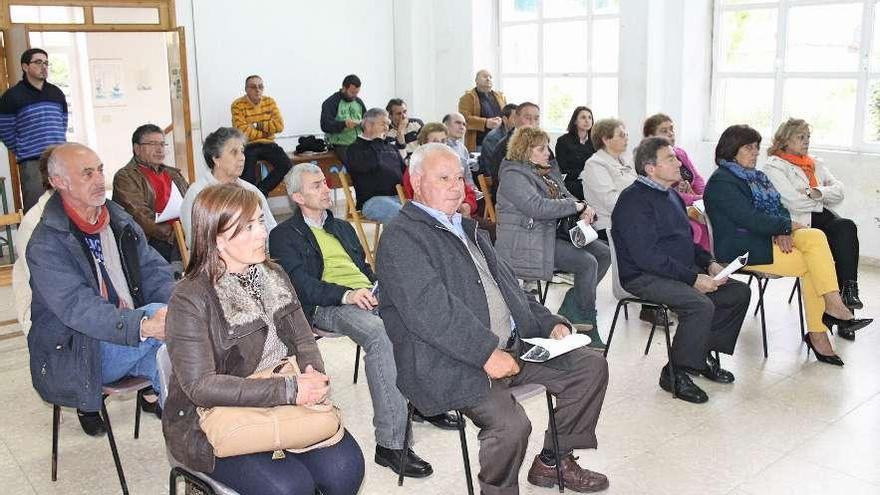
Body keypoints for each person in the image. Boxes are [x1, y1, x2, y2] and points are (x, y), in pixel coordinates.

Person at [377, 143, 610, 494]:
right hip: (450, 361)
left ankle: (553, 462)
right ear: (417, 182)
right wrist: (486, 353)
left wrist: (548, 322)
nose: (456, 186)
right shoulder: (402, 238)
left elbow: (511, 290)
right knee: (511, 426)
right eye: (444, 178)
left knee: (590, 367)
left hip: (510, 349)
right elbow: (431, 312)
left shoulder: (468, 228)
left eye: (459, 177)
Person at [163, 183, 365, 495]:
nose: (261, 234)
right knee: (290, 488)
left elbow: (303, 338)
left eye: (260, 221)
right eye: (247, 228)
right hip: (216, 414)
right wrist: (290, 389)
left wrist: (312, 374)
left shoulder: (274, 275)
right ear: (217, 238)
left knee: (345, 471)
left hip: (283, 390)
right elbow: (201, 387)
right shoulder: (191, 297)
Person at [269, 163, 453, 479]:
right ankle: (391, 444)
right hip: (325, 305)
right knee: (381, 336)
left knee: (422, 318)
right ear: (298, 196)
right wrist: (347, 295)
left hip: (365, 295)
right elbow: (300, 285)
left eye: (325, 183)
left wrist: (382, 288)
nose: (327, 189)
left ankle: (423, 403)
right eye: (317, 186)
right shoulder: (284, 235)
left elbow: (364, 271)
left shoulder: (341, 228)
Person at [27, 143, 172, 437]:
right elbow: (79, 308)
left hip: (132, 334)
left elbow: (154, 271)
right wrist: (145, 324)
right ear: (59, 183)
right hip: (80, 352)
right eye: (87, 173)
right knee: (170, 337)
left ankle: (190, 439)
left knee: (178, 354)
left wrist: (178, 307)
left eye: (101, 169)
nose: (99, 180)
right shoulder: (46, 243)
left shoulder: (118, 221)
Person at [703, 125, 872, 363]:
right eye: (748, 148)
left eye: (756, 148)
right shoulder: (723, 181)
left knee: (816, 238)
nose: (755, 153)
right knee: (813, 263)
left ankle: (832, 307)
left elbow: (780, 207)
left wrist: (782, 228)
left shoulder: (756, 177)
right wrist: (785, 227)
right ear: (732, 150)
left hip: (763, 237)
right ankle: (820, 329)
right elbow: (750, 219)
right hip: (741, 249)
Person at [612, 137, 750, 404]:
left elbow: (688, 242)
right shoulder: (633, 201)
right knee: (699, 305)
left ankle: (701, 357)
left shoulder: (671, 195)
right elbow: (646, 257)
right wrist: (692, 278)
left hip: (674, 270)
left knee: (737, 293)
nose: (679, 163)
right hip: (643, 276)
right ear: (651, 168)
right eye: (670, 159)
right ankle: (676, 373)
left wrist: (708, 262)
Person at [495, 127, 610, 350]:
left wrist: (584, 207)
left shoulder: (545, 170)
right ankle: (587, 320)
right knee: (587, 262)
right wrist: (574, 206)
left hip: (550, 234)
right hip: (528, 241)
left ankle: (573, 304)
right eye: (541, 148)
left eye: (547, 146)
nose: (548, 152)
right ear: (525, 151)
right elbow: (536, 207)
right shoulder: (512, 175)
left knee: (604, 253)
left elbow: (566, 196)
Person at [763, 118, 863, 310]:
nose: (806, 141)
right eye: (801, 137)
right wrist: (822, 196)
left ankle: (849, 294)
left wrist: (815, 192)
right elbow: (791, 201)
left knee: (846, 228)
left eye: (808, 137)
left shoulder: (814, 162)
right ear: (785, 141)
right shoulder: (774, 166)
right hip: (795, 222)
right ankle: (842, 309)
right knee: (840, 240)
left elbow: (839, 190)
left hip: (818, 216)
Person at [180, 127, 277, 245]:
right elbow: (195, 241)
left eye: (242, 151)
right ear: (216, 158)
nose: (242, 158)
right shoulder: (197, 193)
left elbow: (272, 230)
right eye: (234, 152)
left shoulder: (250, 190)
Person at [0, 48, 68, 212]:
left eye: (46, 63)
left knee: (64, 206)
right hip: (32, 163)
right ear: (25, 66)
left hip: (59, 160)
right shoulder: (12, 96)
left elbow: (62, 122)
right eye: (38, 62)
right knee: (36, 210)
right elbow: (4, 129)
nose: (44, 67)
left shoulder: (56, 93)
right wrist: (23, 148)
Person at [112, 124, 190, 263]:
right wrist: (176, 235)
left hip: (183, 235)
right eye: (152, 144)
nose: (159, 149)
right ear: (137, 149)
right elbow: (139, 215)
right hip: (152, 241)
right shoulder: (126, 177)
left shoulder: (173, 174)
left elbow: (192, 202)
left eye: (162, 144)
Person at [643, 113, 710, 251]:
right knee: (698, 228)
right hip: (669, 210)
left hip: (692, 205)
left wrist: (704, 196)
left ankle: (711, 264)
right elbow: (667, 193)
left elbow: (697, 179)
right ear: (650, 137)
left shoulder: (680, 153)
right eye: (664, 131)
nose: (670, 134)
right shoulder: (647, 161)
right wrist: (701, 198)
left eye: (671, 129)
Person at [13, 145, 56, 337]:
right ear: (56, 180)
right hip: (55, 322)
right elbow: (53, 293)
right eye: (86, 174)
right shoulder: (35, 224)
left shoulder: (97, 213)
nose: (98, 180)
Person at [231, 75, 293, 196]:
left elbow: (279, 126)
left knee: (286, 164)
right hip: (248, 145)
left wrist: (256, 125)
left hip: (268, 144)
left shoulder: (269, 102)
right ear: (246, 89)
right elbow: (242, 132)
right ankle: (249, 199)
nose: (257, 90)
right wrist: (267, 130)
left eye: (260, 86)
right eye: (253, 87)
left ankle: (261, 191)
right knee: (248, 176)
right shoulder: (237, 105)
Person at [402, 122, 478, 217]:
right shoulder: (415, 170)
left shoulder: (451, 166)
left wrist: (468, 205)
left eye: (443, 141)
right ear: (423, 143)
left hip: (461, 215)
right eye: (435, 141)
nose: (441, 145)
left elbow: (468, 192)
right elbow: (419, 203)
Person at [345, 107, 405, 223]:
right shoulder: (354, 149)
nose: (387, 128)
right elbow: (366, 165)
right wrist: (377, 141)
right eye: (383, 124)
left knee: (423, 213)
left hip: (399, 198)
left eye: (388, 124)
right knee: (404, 216)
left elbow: (405, 172)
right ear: (368, 125)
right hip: (373, 202)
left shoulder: (390, 147)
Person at [485, 101, 543, 183]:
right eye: (528, 118)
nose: (533, 122)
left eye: (536, 118)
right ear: (516, 119)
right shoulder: (505, 147)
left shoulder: (541, 143)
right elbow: (502, 182)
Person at [320, 74, 367, 165]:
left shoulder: (359, 102)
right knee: (355, 166)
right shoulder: (331, 102)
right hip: (340, 144)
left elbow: (366, 118)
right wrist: (344, 124)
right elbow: (325, 126)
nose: (355, 96)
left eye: (357, 93)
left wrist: (365, 123)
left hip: (359, 142)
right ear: (344, 88)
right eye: (352, 92)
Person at [458, 69, 506, 151]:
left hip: (500, 141)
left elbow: (506, 114)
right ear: (476, 80)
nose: (488, 79)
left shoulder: (500, 96)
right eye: (485, 76)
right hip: (479, 143)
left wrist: (501, 120)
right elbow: (464, 118)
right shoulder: (468, 97)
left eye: (490, 77)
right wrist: (485, 123)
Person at [555, 106, 596, 200]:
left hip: (592, 180)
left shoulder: (595, 141)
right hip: (572, 182)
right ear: (575, 121)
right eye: (583, 117)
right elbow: (562, 169)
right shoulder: (563, 141)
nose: (587, 120)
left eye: (590, 117)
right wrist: (583, 173)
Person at [478, 102, 517, 176]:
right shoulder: (492, 138)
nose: (519, 122)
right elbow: (492, 168)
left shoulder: (515, 135)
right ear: (505, 119)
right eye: (515, 118)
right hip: (496, 179)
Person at [442, 112, 478, 189]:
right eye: (458, 123)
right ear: (445, 125)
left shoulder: (463, 148)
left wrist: (473, 190)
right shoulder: (439, 146)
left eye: (464, 124)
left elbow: (467, 176)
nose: (462, 127)